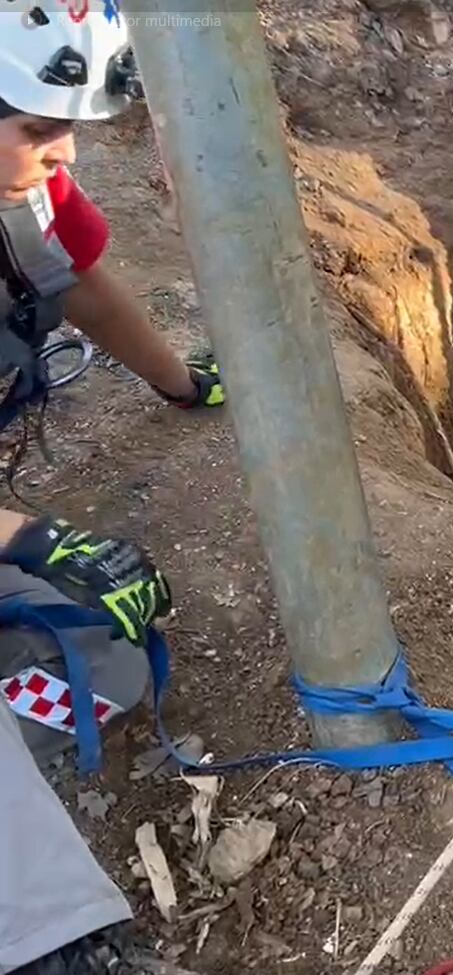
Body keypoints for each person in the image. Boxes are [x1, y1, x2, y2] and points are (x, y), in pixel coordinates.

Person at [1, 12, 208, 975]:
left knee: (103, 663)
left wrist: (180, 381)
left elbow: (75, 279)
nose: (65, 152)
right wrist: (35, 539)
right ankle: (57, 947)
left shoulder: (26, 191)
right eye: (40, 129)